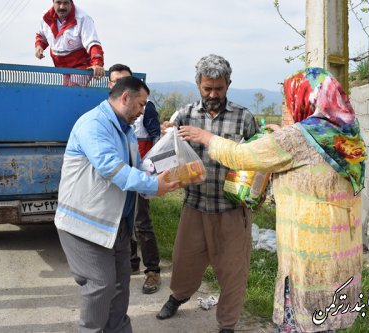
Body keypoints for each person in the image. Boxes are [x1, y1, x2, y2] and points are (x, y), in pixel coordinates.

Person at [178, 68, 366, 332]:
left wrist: (206, 137)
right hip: (340, 247)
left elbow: (241, 157)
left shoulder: (299, 136)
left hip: (308, 254)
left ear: (303, 99)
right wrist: (283, 133)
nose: (285, 106)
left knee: (301, 321)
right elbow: (303, 156)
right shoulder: (344, 132)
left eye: (287, 101)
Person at [55, 75, 180, 332]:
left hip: (116, 225)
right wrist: (154, 185)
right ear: (125, 97)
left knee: (120, 285)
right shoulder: (94, 124)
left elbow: (136, 167)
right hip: (85, 224)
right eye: (141, 105)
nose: (143, 111)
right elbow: (110, 167)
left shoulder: (126, 129)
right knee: (100, 284)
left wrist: (161, 166)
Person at [156, 54, 259, 333]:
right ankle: (178, 296)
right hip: (195, 205)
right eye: (207, 88)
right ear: (198, 85)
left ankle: (227, 325)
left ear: (229, 84)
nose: (213, 94)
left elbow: (258, 159)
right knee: (184, 260)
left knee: (233, 271)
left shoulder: (244, 118)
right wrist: (166, 133)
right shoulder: (185, 114)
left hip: (231, 210)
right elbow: (165, 153)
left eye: (219, 88)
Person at [107, 64, 163, 294]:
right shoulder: (106, 115)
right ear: (111, 87)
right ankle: (129, 265)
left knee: (141, 222)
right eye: (116, 81)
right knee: (122, 221)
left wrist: (152, 172)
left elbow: (158, 140)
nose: (121, 84)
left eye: (125, 80)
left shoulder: (144, 110)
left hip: (140, 175)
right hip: (120, 178)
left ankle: (153, 270)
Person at [35, 0, 105, 84]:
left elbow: (93, 44)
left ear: (71, 3)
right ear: (53, 2)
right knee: (63, 93)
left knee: (73, 90)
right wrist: (39, 46)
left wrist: (97, 63)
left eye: (65, 3)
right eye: (58, 2)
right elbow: (41, 36)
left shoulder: (83, 18)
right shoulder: (45, 17)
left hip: (81, 66)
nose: (62, 7)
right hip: (61, 68)